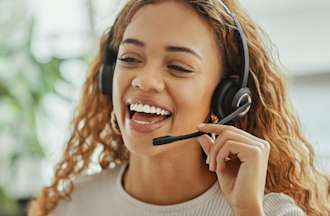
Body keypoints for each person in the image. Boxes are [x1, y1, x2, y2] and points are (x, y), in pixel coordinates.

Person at [28, 0, 330, 215]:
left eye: (178, 67)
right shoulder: (72, 204)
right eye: (130, 59)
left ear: (227, 97)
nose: (144, 81)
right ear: (108, 77)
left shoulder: (268, 212)